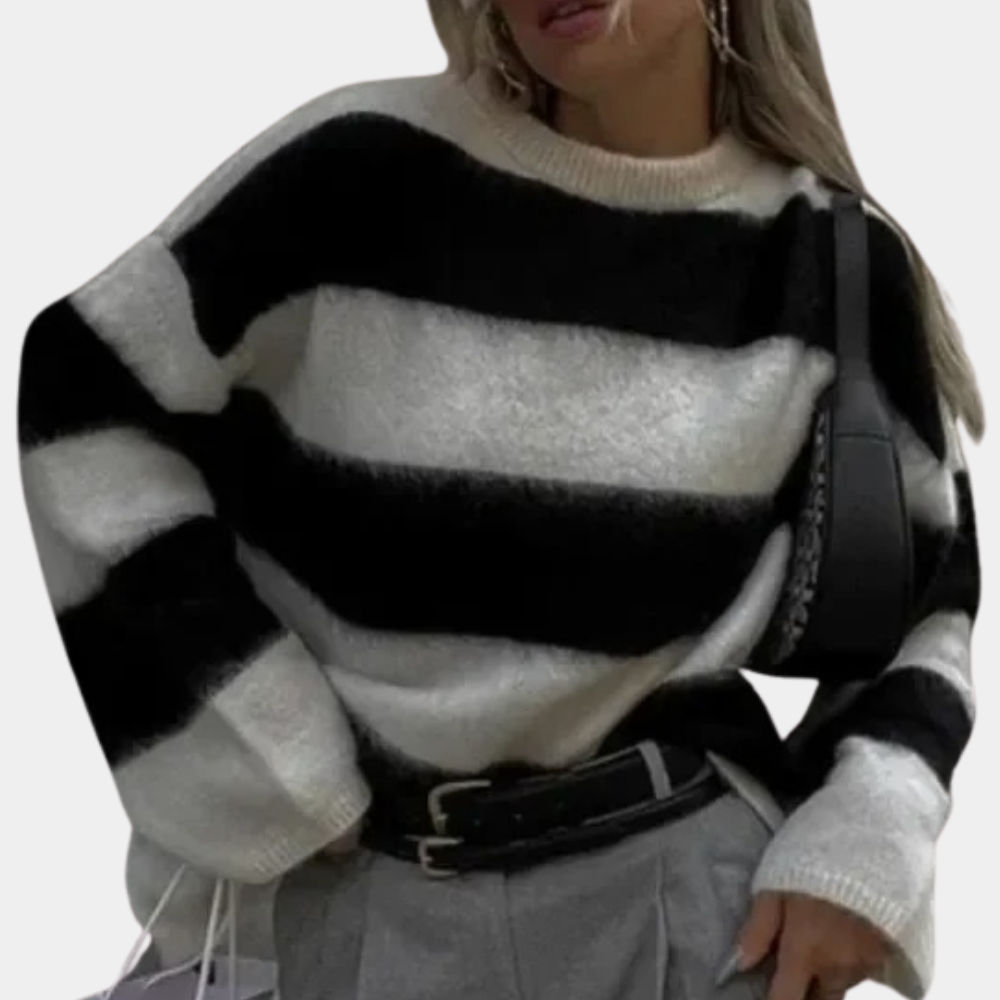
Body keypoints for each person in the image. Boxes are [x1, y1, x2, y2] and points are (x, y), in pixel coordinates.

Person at [16, 1, 982, 999]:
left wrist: (859, 849)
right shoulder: (355, 173)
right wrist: (264, 756)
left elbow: (928, 604)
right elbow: (83, 390)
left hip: (687, 923)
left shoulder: (829, 259)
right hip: (352, 904)